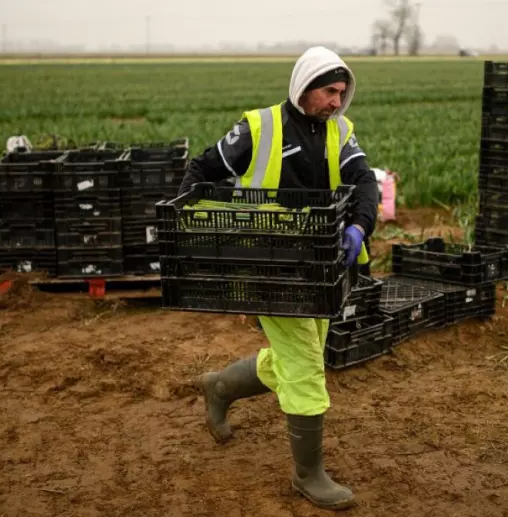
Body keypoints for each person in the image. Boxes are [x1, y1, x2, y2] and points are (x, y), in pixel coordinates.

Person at [179, 46, 378, 510]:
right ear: (303, 86)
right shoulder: (258, 127)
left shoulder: (339, 131)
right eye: (329, 91)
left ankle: (221, 385)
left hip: (320, 269)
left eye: (342, 93)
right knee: (307, 366)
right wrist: (191, 234)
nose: (337, 102)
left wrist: (358, 226)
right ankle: (308, 475)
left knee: (293, 359)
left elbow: (365, 181)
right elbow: (201, 171)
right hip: (267, 267)